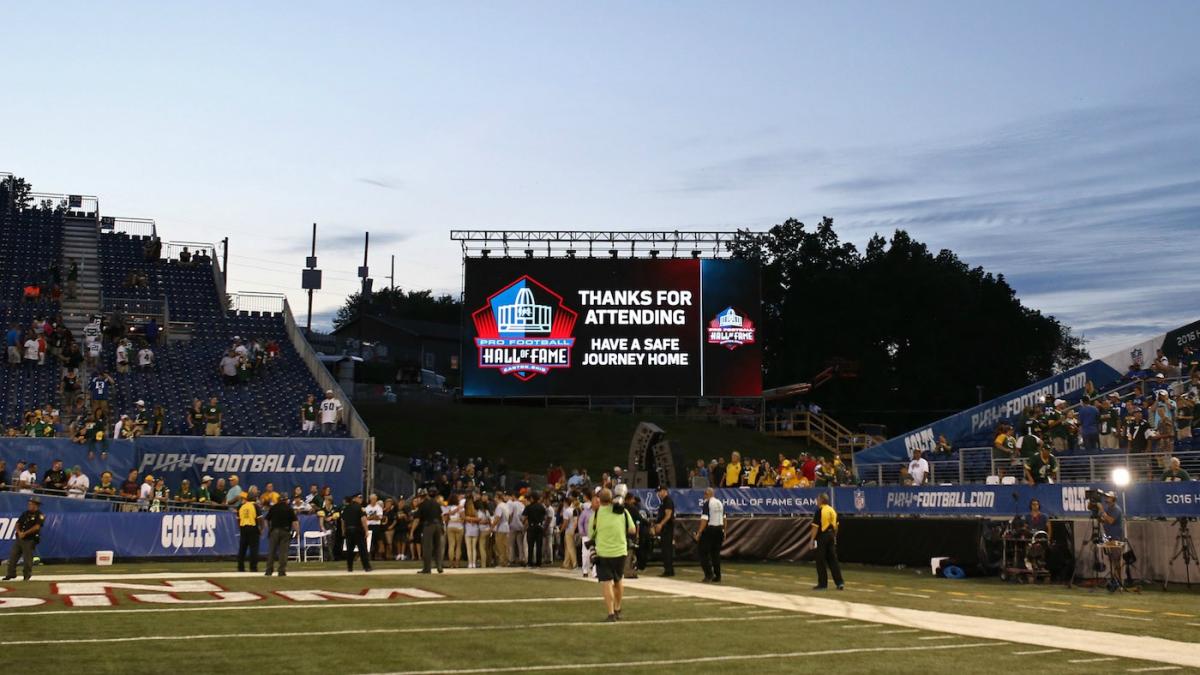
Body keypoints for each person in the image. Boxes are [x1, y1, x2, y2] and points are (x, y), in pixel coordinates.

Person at [588, 488, 636, 622]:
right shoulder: (623, 511)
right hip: (620, 551)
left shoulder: (596, 515)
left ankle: (610, 614)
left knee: (607, 582)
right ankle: (618, 608)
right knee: (619, 579)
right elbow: (632, 529)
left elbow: (590, 535)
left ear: (599, 499)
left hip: (603, 553)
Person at [3, 496, 45, 581]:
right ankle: (11, 574)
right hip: (20, 538)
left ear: (36, 505)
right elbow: (17, 524)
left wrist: (25, 533)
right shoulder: (25, 513)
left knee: (27, 559)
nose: (29, 505)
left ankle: (26, 575)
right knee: (13, 556)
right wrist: (19, 532)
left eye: (31, 504)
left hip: (30, 539)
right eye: (29, 503)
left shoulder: (40, 515)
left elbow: (37, 527)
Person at [810, 493, 844, 590]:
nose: (816, 501)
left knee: (820, 560)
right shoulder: (832, 510)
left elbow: (815, 527)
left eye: (817, 499)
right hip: (831, 536)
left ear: (821, 500)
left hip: (822, 537)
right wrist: (834, 536)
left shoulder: (820, 511)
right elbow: (836, 526)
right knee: (833, 560)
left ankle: (823, 584)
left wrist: (812, 540)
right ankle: (839, 582)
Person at [264, 492, 299, 577]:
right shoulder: (289, 509)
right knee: (283, 552)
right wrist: (297, 531)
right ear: (286, 500)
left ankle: (269, 570)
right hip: (285, 531)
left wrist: (268, 529)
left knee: (271, 551)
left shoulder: (274, 508)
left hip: (274, 531)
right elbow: (295, 522)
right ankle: (281, 571)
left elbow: (266, 519)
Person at [694, 487, 724, 583]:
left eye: (705, 494)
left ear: (707, 494)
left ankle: (708, 575)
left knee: (702, 552)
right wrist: (724, 531)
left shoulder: (707, 503)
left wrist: (699, 533)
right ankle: (718, 575)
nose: (704, 496)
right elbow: (725, 518)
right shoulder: (719, 503)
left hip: (711, 529)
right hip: (719, 529)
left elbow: (704, 519)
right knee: (715, 554)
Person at [413, 488, 445, 574]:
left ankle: (427, 568)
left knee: (427, 547)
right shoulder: (436, 503)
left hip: (428, 526)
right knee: (437, 547)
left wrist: (412, 531)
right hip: (438, 525)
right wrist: (442, 526)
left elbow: (417, 520)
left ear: (420, 497)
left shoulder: (422, 504)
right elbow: (441, 515)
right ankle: (439, 566)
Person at [341, 493, 372, 572]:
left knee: (349, 550)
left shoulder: (346, 508)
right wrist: (366, 530)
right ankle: (367, 567)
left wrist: (343, 531)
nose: (361, 499)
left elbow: (343, 521)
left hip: (348, 530)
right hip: (358, 531)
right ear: (354, 499)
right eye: (359, 497)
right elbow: (363, 519)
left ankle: (349, 567)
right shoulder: (360, 508)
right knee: (362, 550)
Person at [653, 485, 675, 577]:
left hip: (667, 528)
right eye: (658, 492)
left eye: (660, 491)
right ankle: (668, 569)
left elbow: (668, 515)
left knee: (667, 549)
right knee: (665, 549)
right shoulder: (664, 501)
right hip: (665, 528)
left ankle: (669, 570)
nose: (659, 493)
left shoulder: (668, 501)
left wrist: (661, 524)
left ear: (665, 491)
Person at [237, 492, 260, 572]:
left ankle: (240, 567)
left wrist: (240, 527)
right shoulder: (255, 506)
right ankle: (253, 567)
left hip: (243, 527)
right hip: (253, 527)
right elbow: (260, 518)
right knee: (253, 549)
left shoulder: (241, 506)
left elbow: (238, 519)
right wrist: (261, 528)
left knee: (242, 549)